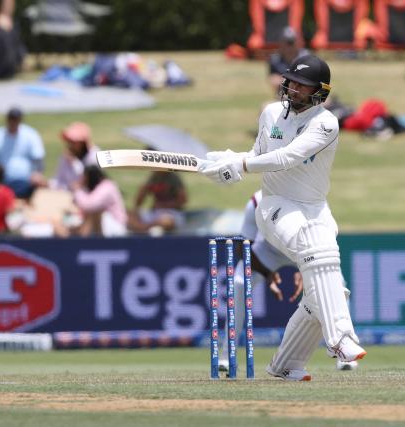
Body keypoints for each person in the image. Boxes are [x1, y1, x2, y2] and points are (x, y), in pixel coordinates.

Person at [198, 54, 366, 381]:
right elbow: (258, 157)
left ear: (319, 92)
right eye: (291, 81)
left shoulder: (326, 123)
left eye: (302, 85)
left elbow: (288, 157)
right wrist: (228, 162)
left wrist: (240, 165)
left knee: (330, 290)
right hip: (275, 204)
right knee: (315, 254)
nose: (291, 87)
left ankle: (286, 364)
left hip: (316, 207)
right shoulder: (271, 113)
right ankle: (341, 338)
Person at [218, 190, 358, 372]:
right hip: (268, 252)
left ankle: (344, 352)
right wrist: (267, 274)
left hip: (305, 250)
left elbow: (326, 237)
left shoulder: (310, 195)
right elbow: (242, 248)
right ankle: (226, 354)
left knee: (337, 284)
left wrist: (306, 266)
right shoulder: (256, 202)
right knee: (239, 281)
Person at [0, 107, 47, 199]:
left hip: (25, 181)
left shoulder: (31, 135)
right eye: (12, 119)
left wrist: (38, 173)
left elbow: (38, 159)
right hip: (1, 181)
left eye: (16, 119)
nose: (14, 122)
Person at [70, 165, 127, 237]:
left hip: (114, 227)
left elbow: (89, 205)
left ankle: (81, 242)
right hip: (104, 227)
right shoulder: (95, 188)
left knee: (94, 214)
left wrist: (77, 190)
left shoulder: (107, 186)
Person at [127, 170, 187, 235]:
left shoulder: (173, 178)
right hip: (154, 213)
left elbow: (183, 200)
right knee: (128, 215)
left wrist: (164, 205)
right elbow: (139, 201)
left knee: (166, 221)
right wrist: (143, 189)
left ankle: (143, 229)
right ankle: (146, 229)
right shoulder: (154, 177)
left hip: (171, 213)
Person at [52, 122, 99, 191]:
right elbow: (59, 180)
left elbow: (87, 179)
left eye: (73, 142)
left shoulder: (94, 156)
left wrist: (74, 162)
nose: (70, 144)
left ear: (82, 142)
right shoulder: (66, 157)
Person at [267, 27, 309, 97]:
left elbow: (310, 80)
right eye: (286, 42)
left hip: (304, 96)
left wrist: (285, 81)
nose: (289, 46)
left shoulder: (306, 57)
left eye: (291, 42)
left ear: (298, 42)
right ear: (280, 42)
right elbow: (274, 81)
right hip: (283, 96)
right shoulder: (275, 59)